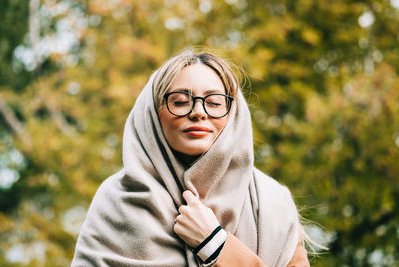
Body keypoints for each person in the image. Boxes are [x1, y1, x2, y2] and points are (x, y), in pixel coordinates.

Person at [71, 50, 310, 266]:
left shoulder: (271, 202)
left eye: (214, 102)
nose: (198, 112)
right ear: (154, 113)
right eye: (180, 102)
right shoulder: (117, 199)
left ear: (233, 113)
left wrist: (215, 245)